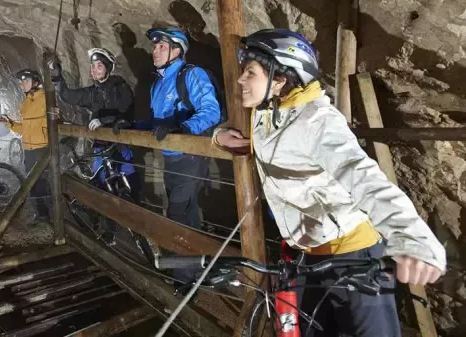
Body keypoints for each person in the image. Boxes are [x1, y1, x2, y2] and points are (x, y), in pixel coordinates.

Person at [213, 29, 446, 337]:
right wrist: (219, 136)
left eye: (250, 73)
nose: (241, 79)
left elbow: (363, 176)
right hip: (305, 254)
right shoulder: (266, 111)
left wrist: (412, 237)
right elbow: (260, 138)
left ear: (280, 79)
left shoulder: (318, 121)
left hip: (352, 254)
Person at [114, 26, 221, 292]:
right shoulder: (159, 84)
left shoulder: (191, 74)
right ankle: (197, 269)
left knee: (176, 215)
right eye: (154, 46)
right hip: (171, 159)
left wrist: (183, 128)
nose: (155, 51)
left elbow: (211, 111)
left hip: (191, 156)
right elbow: (156, 122)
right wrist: (132, 125)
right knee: (187, 215)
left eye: (162, 46)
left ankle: (184, 281)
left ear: (177, 50)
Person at [49, 48, 140, 244]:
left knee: (130, 184)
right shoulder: (93, 92)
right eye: (92, 66)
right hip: (101, 146)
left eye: (99, 66)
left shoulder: (119, 86)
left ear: (108, 68)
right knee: (102, 187)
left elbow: (127, 110)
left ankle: (139, 230)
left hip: (120, 145)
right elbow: (69, 96)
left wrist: (104, 120)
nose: (94, 69)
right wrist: (58, 78)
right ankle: (109, 229)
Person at [0, 69, 51, 224]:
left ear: (36, 82)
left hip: (42, 148)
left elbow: (55, 119)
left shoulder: (46, 99)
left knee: (41, 183)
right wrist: (10, 123)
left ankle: (50, 213)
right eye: (21, 82)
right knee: (32, 184)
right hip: (28, 149)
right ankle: (42, 213)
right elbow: (24, 129)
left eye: (26, 81)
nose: (22, 84)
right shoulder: (25, 102)